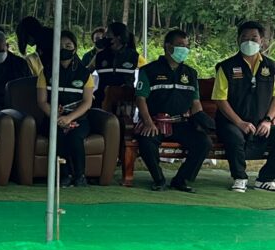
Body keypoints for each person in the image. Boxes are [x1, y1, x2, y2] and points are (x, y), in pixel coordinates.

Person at [135, 29, 212, 193]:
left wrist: (201, 121)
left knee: (204, 142)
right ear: (168, 46)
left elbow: (196, 103)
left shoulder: (191, 73)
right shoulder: (149, 70)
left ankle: (181, 180)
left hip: (181, 122)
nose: (184, 49)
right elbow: (141, 99)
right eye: (180, 45)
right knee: (146, 141)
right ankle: (159, 180)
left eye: (186, 46)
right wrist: (148, 122)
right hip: (155, 121)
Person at [213, 21, 275, 192]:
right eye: (245, 38)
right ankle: (240, 177)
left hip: (262, 122)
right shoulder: (226, 67)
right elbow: (220, 99)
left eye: (254, 38)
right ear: (238, 40)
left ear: (262, 41)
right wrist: (239, 122)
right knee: (234, 137)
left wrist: (268, 120)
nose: (249, 42)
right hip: (232, 121)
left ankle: (265, 178)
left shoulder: (271, 67)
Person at [35, 30, 93, 187]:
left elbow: (87, 102)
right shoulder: (46, 72)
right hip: (52, 118)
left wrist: (69, 118)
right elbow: (42, 101)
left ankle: (80, 176)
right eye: (60, 46)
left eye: (68, 45)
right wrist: (57, 119)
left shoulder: (84, 73)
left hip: (78, 118)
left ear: (75, 48)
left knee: (75, 137)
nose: (64, 49)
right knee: (58, 135)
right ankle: (64, 175)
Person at [92, 21, 146, 106]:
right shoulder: (100, 56)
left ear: (118, 37)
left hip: (125, 102)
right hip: (102, 100)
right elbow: (87, 72)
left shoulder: (133, 56)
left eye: (108, 34)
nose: (105, 36)